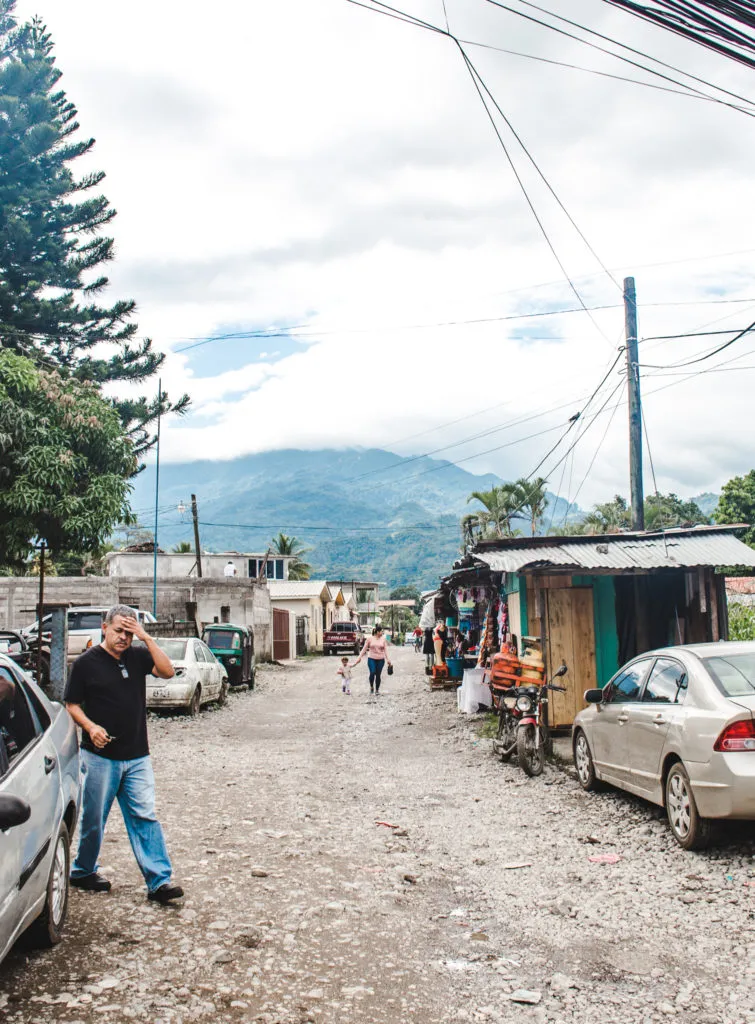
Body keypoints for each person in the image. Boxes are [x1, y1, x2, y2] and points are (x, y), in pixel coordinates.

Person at [64, 605, 184, 904]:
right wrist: (91, 728)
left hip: (137, 755)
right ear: (104, 628)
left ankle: (159, 881)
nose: (123, 638)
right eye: (119, 631)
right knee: (94, 819)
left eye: (129, 633)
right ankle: (82, 870)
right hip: (99, 757)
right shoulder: (85, 664)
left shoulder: (138, 655)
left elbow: (167, 671)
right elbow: (72, 704)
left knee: (145, 816)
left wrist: (147, 638)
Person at [354, 625, 392, 695]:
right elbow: (364, 649)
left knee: (378, 675)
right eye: (381, 632)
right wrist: (359, 657)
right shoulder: (369, 639)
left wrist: (388, 660)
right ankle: (371, 686)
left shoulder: (383, 639)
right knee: (372, 672)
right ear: (377, 632)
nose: (382, 633)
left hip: (381, 659)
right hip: (371, 658)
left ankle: (377, 690)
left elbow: (386, 650)